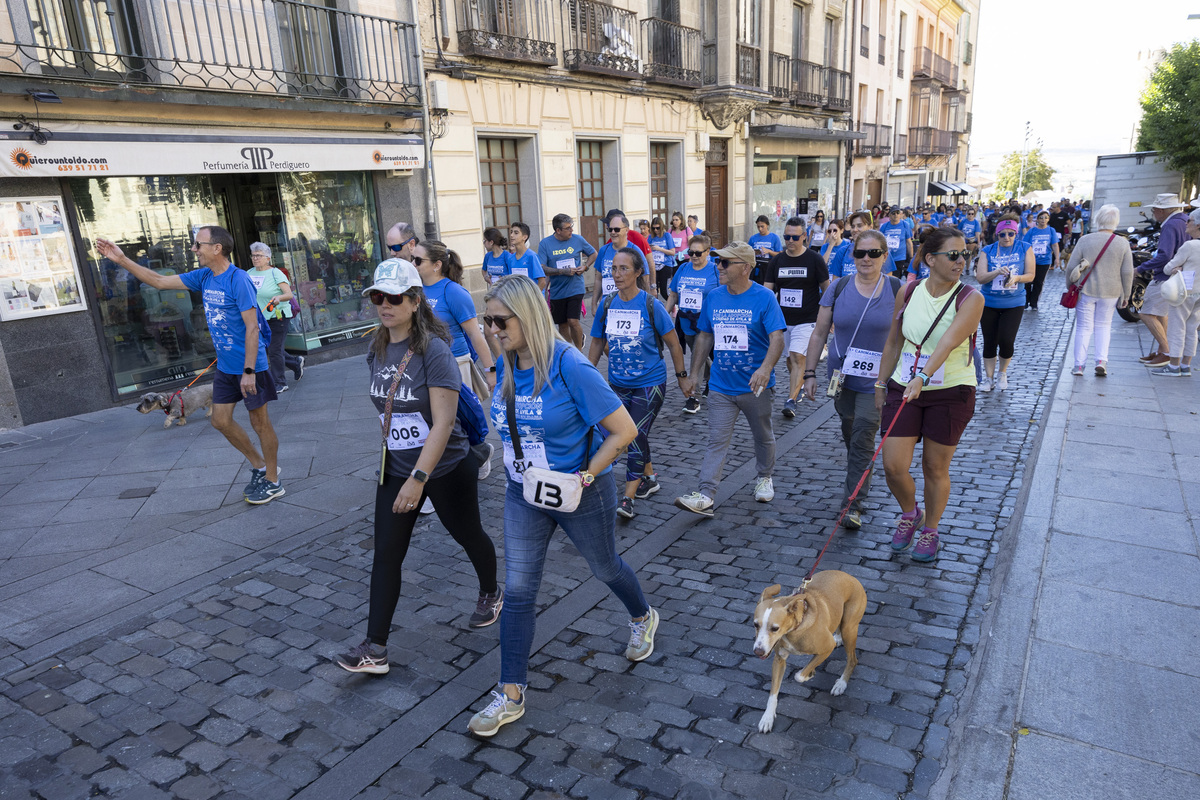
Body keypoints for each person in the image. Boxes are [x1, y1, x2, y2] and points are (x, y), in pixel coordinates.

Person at [468, 275, 655, 737]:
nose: (491, 329)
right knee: (520, 589)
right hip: (524, 491)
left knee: (606, 567)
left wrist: (587, 476)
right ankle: (510, 691)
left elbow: (625, 430)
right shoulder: (507, 364)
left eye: (499, 320)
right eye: (487, 320)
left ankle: (642, 616)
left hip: (579, 491)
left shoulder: (571, 366)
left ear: (528, 316)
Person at [335, 259, 502, 675]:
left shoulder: (435, 351)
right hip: (395, 467)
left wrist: (419, 479)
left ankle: (491, 590)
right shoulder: (375, 348)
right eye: (378, 297)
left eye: (394, 298)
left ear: (414, 302)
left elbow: (444, 423)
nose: (384, 305)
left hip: (444, 468)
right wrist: (402, 472)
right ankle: (375, 648)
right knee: (387, 554)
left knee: (467, 534)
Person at [96, 227, 284, 504]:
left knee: (260, 423)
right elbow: (159, 281)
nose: (194, 249)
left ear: (217, 248)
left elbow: (252, 328)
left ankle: (273, 480)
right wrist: (121, 260)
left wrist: (249, 372)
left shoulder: (239, 279)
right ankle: (259, 466)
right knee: (220, 421)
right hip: (226, 368)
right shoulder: (204, 276)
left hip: (250, 367)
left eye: (198, 245)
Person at [875, 228, 984, 562]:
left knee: (934, 467)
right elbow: (894, 340)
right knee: (893, 465)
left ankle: (931, 530)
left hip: (951, 389)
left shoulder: (971, 298)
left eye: (964, 254)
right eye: (953, 255)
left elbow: (950, 340)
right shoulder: (908, 292)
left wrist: (922, 376)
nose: (961, 260)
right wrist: (881, 385)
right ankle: (911, 513)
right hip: (903, 383)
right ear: (930, 259)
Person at [674, 242, 786, 517]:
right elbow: (704, 335)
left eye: (725, 263)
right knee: (716, 440)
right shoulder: (713, 296)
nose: (718, 266)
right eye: (718, 261)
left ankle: (764, 476)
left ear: (746, 268)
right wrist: (695, 374)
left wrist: (765, 368)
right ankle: (705, 494)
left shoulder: (765, 298)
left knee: (763, 436)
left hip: (755, 386)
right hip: (721, 386)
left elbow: (777, 338)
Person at [803, 231, 902, 530]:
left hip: (878, 383)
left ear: (886, 256)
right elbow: (820, 332)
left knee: (862, 436)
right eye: (861, 253)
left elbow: (907, 336)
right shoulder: (838, 287)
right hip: (842, 378)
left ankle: (852, 504)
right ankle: (859, 474)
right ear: (852, 256)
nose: (867, 259)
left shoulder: (897, 289)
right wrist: (809, 373)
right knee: (851, 432)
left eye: (874, 253)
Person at [588, 247, 687, 518]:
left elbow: (673, 343)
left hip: (650, 383)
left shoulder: (651, 305)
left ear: (638, 272)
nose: (617, 274)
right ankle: (650, 477)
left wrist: (682, 378)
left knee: (633, 435)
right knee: (621, 433)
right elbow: (597, 341)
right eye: (614, 269)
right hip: (618, 384)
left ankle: (627, 499)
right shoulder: (607, 305)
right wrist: (586, 374)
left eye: (624, 269)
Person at [764, 217, 829, 418]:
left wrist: (827, 319)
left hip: (807, 319)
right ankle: (798, 383)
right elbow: (768, 292)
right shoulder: (777, 261)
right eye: (786, 237)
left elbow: (826, 290)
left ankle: (791, 401)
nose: (790, 240)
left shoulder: (814, 260)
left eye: (794, 237)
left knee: (797, 356)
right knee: (791, 361)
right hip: (783, 321)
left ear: (804, 237)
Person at [412, 240, 496, 393]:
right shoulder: (416, 290)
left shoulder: (454, 292)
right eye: (412, 258)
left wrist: (490, 371)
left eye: (418, 260)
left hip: (456, 364)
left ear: (436, 265)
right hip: (426, 364)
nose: (413, 263)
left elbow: (475, 334)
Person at [1064, 204, 1133, 376]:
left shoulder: (1085, 240)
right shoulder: (1122, 243)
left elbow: (1071, 267)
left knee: (1083, 328)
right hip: (1111, 291)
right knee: (1104, 326)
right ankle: (1101, 361)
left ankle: (1079, 366)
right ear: (1116, 222)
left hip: (1086, 290)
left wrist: (1070, 287)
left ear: (1097, 220)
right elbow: (1127, 271)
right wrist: (1126, 293)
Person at [974, 216, 1035, 392]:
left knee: (1007, 340)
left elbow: (1031, 275)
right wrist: (995, 273)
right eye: (1002, 234)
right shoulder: (988, 250)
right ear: (997, 234)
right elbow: (980, 277)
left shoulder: (1025, 248)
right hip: (989, 302)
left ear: (1016, 233)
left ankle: (1002, 372)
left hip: (1014, 302)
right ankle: (988, 378)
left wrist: (1016, 278)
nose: (1006, 237)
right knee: (989, 341)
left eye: (1011, 234)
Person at [666, 234, 721, 414]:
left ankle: (693, 397)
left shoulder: (715, 270)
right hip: (685, 321)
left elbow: (723, 294)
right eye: (691, 253)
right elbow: (674, 294)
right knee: (699, 354)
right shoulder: (683, 269)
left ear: (708, 252)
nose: (694, 257)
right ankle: (713, 378)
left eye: (698, 253)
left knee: (697, 355)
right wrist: (665, 314)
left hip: (706, 324)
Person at [1138, 194, 1189, 367]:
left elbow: (1165, 255)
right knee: (1161, 313)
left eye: (1153, 210)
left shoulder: (1170, 225)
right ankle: (1163, 350)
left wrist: (1141, 268)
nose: (1153, 214)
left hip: (1166, 277)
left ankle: (1166, 351)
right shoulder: (1185, 220)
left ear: (1161, 210)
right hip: (1182, 276)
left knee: (1146, 313)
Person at [1150, 208, 1200, 377]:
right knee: (1192, 328)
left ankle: (1173, 366)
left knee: (1177, 327)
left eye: (1190, 221)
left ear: (1198, 225)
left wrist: (1176, 268)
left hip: (1185, 292)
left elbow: (1168, 267)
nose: (1187, 223)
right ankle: (1186, 365)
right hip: (1199, 293)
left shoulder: (1190, 245)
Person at [248, 242, 304, 393]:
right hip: (260, 318)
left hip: (278, 316)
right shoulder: (249, 273)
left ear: (268, 258)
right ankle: (295, 361)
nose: (255, 258)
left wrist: (279, 298)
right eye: (253, 255)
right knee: (271, 348)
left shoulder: (275, 273)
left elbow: (289, 294)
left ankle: (280, 382)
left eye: (258, 255)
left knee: (274, 350)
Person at [537, 214, 596, 349]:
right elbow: (542, 268)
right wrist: (562, 271)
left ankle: (579, 351)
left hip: (575, 287)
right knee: (562, 324)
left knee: (573, 321)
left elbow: (593, 253)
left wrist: (585, 267)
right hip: (557, 290)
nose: (571, 230)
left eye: (571, 227)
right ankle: (569, 351)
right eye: (568, 228)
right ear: (558, 230)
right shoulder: (545, 244)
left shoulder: (578, 240)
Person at [592, 215, 649, 311]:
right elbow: (598, 279)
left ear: (626, 230)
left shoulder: (635, 250)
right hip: (608, 306)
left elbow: (645, 278)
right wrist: (594, 304)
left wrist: (646, 304)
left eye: (617, 229)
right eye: (610, 229)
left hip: (630, 306)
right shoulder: (603, 250)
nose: (613, 232)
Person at [1021, 211, 1060, 310]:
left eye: (1046, 218)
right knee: (1028, 281)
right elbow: (1025, 245)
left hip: (1044, 261)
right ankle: (1026, 301)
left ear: (1048, 219)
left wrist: (1057, 259)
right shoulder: (1032, 231)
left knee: (1039, 282)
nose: (1043, 220)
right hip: (1031, 260)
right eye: (1041, 218)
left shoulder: (1051, 230)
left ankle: (1034, 303)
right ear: (1037, 219)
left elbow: (1055, 245)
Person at [507, 222, 548, 291]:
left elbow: (542, 282)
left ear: (524, 237)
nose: (511, 235)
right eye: (511, 232)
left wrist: (533, 297)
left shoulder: (532, 256)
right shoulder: (510, 258)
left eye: (516, 233)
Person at [647, 216, 677, 300]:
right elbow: (647, 250)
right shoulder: (651, 237)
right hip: (654, 266)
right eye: (653, 228)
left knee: (664, 291)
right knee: (654, 290)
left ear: (662, 226)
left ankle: (672, 306)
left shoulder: (667, 236)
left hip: (665, 265)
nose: (656, 230)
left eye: (658, 228)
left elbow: (672, 252)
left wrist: (659, 249)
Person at [880, 207, 913, 280]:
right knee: (886, 278)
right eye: (893, 213)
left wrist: (911, 257)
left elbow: (908, 242)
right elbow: (880, 241)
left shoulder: (905, 225)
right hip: (887, 257)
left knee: (896, 278)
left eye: (898, 213)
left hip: (899, 257)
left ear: (900, 214)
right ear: (889, 215)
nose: (896, 215)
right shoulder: (884, 226)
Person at [748, 215, 782, 284]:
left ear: (767, 225)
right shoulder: (753, 238)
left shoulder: (774, 238)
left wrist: (769, 251)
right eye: (758, 227)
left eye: (762, 226)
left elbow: (780, 254)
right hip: (756, 266)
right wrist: (754, 252)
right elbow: (747, 252)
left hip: (768, 266)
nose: (760, 229)